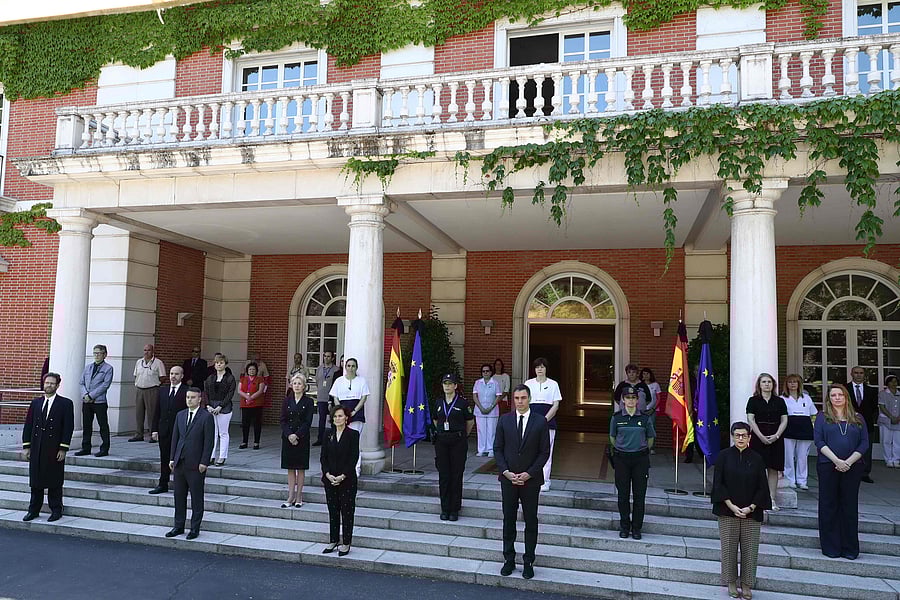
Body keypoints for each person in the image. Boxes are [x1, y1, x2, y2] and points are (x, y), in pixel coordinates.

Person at [494, 384, 550, 580]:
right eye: (517, 398)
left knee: (530, 521)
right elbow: (498, 449)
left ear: (529, 399)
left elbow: (544, 452)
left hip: (531, 481)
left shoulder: (540, 421)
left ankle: (528, 561)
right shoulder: (504, 420)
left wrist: (529, 473)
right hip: (508, 479)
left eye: (523, 398)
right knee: (508, 520)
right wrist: (506, 472)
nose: (519, 401)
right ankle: (509, 559)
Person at [712, 421, 771, 599]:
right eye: (737, 435)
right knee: (729, 548)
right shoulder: (723, 456)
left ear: (749, 437)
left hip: (751, 512)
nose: (740, 438)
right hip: (728, 510)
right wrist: (731, 505)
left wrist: (751, 507)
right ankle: (731, 582)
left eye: (744, 435)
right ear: (732, 436)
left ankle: (746, 584)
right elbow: (718, 483)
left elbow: (763, 487)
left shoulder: (757, 458)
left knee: (750, 549)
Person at [815, 384, 868, 560]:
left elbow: (864, 443)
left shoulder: (858, 418)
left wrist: (848, 462)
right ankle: (831, 547)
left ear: (846, 397)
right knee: (828, 505)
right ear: (829, 398)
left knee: (849, 506)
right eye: (833, 395)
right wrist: (837, 461)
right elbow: (819, 441)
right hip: (828, 465)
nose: (837, 398)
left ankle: (850, 548)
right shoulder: (822, 417)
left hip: (853, 467)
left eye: (840, 395)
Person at [22, 373, 74, 522]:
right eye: (47, 383)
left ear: (57, 385)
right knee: (36, 481)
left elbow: (68, 427)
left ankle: (56, 510)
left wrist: (63, 448)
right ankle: (34, 510)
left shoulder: (65, 404)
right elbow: (28, 425)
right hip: (37, 447)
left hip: (54, 449)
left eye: (52, 383)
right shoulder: (36, 403)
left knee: (54, 480)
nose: (49, 386)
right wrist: (27, 446)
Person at [166, 387, 215, 540]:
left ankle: (195, 528)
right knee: (178, 496)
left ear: (199, 399)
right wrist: (172, 458)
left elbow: (209, 442)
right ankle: (178, 526)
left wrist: (204, 462)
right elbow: (175, 438)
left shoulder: (206, 417)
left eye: (193, 397)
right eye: (188, 397)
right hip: (180, 462)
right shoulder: (180, 415)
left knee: (196, 497)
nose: (189, 400)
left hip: (196, 464)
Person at [609, 384, 655, 540]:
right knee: (622, 495)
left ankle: (636, 528)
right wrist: (623, 449)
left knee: (639, 495)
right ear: (622, 400)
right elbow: (613, 438)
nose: (630, 400)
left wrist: (640, 449)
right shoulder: (617, 418)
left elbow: (650, 438)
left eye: (633, 398)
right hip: (622, 459)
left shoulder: (644, 418)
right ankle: (624, 526)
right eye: (627, 398)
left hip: (640, 459)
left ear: (637, 400)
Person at [433, 373, 475, 521]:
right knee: (444, 475)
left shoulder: (462, 403)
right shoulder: (438, 402)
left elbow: (470, 422)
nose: (447, 386)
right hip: (442, 442)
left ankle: (454, 509)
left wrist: (462, 435)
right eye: (445, 383)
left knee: (456, 475)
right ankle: (445, 508)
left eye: (450, 383)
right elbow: (435, 420)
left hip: (458, 441)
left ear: (456, 386)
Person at [320, 404, 360, 557]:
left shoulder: (353, 435)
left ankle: (346, 542)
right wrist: (328, 474)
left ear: (346, 418)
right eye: (335, 416)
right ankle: (334, 539)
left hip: (347, 479)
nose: (338, 418)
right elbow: (323, 457)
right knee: (333, 510)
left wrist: (343, 475)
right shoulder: (328, 434)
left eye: (340, 416)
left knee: (347, 511)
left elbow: (353, 458)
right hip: (330, 479)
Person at [745, 373, 787, 510]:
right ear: (759, 385)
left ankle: (771, 499)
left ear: (773, 384)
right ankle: (754, 500)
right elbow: (750, 419)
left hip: (776, 437)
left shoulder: (780, 401)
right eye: (764, 382)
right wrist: (761, 436)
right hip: (758, 437)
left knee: (773, 469)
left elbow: (784, 420)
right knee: (757, 468)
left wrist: (776, 435)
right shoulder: (753, 400)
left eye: (769, 381)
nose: (767, 384)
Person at [524, 357, 562, 491]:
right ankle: (530, 477)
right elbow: (524, 403)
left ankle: (545, 480)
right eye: (537, 367)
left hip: (548, 423)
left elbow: (556, 405)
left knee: (547, 452)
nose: (540, 369)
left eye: (542, 367)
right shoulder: (528, 383)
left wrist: (544, 420)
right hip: (531, 423)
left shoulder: (553, 384)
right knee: (530, 452)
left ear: (546, 368)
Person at [149, 366, 187, 494]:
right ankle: (162, 483)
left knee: (180, 459)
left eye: (176, 374)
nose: (173, 376)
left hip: (180, 432)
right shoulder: (163, 391)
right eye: (171, 373)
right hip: (164, 430)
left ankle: (181, 485)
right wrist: (154, 429)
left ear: (182, 376)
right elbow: (156, 411)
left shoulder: (186, 391)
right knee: (164, 458)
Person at [329, 357, 368, 476]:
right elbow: (335, 396)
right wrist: (341, 412)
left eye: (353, 366)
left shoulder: (361, 381)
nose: (350, 368)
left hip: (356, 414)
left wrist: (354, 411)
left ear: (356, 368)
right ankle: (341, 467)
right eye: (348, 366)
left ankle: (355, 469)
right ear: (345, 367)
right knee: (341, 441)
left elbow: (364, 397)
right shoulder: (339, 381)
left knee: (354, 442)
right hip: (341, 414)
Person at [280, 374, 314, 508]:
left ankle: (299, 496)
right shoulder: (286, 401)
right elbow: (283, 420)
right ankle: (290, 496)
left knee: (300, 468)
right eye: (295, 383)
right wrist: (289, 435)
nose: (297, 386)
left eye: (299, 384)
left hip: (302, 438)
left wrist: (297, 435)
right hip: (288, 438)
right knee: (290, 468)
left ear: (304, 386)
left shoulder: (309, 402)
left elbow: (308, 421)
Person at [781, 373, 818, 490]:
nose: (792, 384)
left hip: (804, 429)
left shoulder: (806, 398)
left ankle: (802, 480)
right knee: (788, 456)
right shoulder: (782, 399)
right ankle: (789, 479)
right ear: (786, 384)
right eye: (790, 382)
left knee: (802, 456)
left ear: (799, 384)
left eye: (795, 382)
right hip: (788, 428)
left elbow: (813, 413)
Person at [76, 344, 114, 457]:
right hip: (86, 401)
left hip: (99, 402)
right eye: (95, 353)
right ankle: (86, 447)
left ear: (105, 355)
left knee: (103, 425)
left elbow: (105, 385)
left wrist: (91, 396)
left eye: (99, 353)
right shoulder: (88, 367)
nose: (96, 355)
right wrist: (85, 395)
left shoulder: (108, 368)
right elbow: (81, 382)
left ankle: (104, 449)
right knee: (87, 425)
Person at [846, 366, 878, 483]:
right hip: (848, 424)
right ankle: (848, 470)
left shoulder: (871, 391)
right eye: (856, 373)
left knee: (866, 449)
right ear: (851, 374)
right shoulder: (845, 388)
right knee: (849, 447)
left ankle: (864, 473)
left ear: (864, 375)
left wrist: (869, 419)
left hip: (867, 424)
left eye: (861, 373)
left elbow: (874, 408)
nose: (858, 375)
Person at [204, 354, 236, 466]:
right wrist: (208, 405)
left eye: (221, 363)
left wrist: (220, 406)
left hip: (224, 407)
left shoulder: (230, 378)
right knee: (213, 432)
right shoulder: (210, 378)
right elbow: (206, 392)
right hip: (211, 406)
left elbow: (230, 394)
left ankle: (222, 456)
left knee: (223, 433)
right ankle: (211, 456)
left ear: (225, 364)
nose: (219, 364)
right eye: (217, 363)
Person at [131, 343, 166, 442]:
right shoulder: (139, 362)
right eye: (145, 350)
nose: (146, 352)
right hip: (139, 389)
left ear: (153, 351)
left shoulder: (158, 362)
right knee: (139, 413)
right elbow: (135, 375)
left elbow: (163, 377)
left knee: (152, 413)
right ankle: (139, 434)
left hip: (152, 390)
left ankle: (153, 435)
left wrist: (156, 384)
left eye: (149, 350)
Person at [473, 363, 502, 457]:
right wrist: (481, 407)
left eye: (487, 371)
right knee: (481, 430)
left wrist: (491, 407)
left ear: (490, 372)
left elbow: (498, 396)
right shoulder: (477, 382)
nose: (485, 373)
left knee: (491, 430)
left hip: (492, 411)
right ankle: (481, 449)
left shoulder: (495, 383)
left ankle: (491, 449)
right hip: (479, 410)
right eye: (483, 371)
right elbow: (474, 396)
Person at [238, 362, 267, 449]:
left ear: (256, 370)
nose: (252, 371)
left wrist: (251, 398)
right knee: (245, 423)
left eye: (253, 369)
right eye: (250, 369)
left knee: (257, 423)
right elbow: (239, 390)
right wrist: (246, 396)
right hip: (245, 404)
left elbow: (261, 390)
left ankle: (256, 442)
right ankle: (244, 441)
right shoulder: (243, 379)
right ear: (247, 370)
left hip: (256, 404)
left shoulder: (260, 379)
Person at [313, 351, 338, 447]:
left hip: (330, 398)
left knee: (333, 419)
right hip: (321, 397)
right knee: (321, 419)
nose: (326, 358)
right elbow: (317, 381)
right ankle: (320, 439)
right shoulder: (319, 368)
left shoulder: (336, 369)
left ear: (332, 358)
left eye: (328, 356)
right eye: (325, 356)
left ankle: (333, 438)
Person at [878, 374, 900, 468]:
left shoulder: (899, 393)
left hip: (898, 421)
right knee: (886, 440)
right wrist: (891, 417)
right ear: (887, 383)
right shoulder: (882, 393)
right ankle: (888, 460)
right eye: (892, 381)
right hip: (885, 420)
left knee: (897, 441)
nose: (894, 383)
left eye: (895, 381)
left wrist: (898, 418)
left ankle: (896, 459)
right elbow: (882, 407)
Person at [640, 367, 661, 454]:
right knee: (642, 428)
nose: (646, 375)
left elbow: (658, 398)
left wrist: (653, 409)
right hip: (642, 410)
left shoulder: (655, 385)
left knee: (651, 428)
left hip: (652, 410)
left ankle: (651, 447)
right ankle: (642, 446)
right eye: (644, 374)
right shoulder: (640, 385)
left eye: (647, 374)